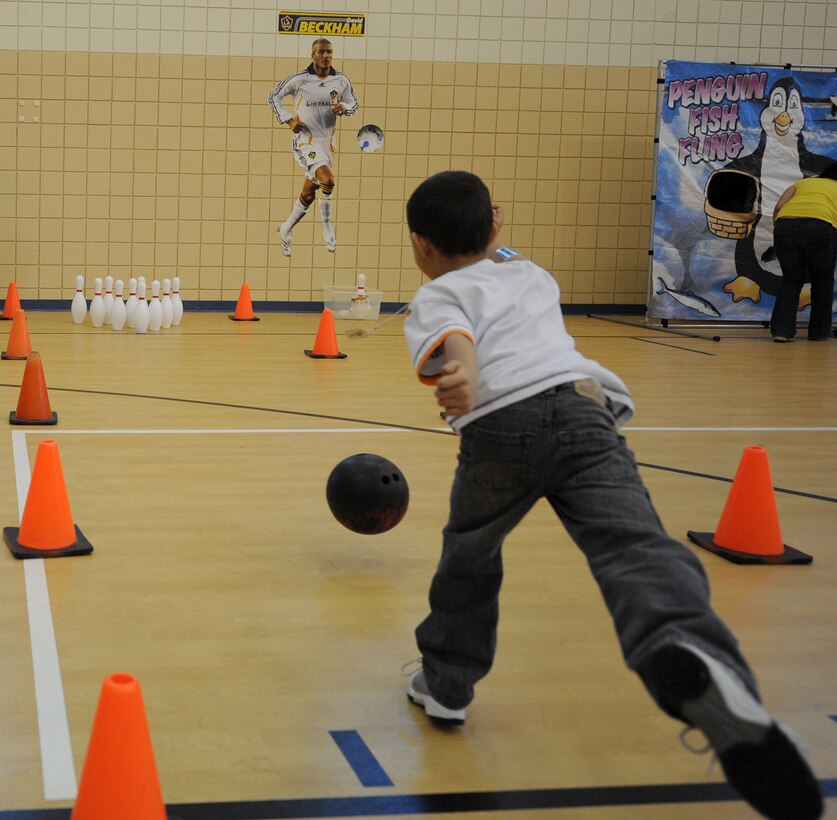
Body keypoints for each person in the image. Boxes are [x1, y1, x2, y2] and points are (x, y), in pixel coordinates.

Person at [401, 171, 823, 820]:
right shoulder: (532, 275)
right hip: (581, 412)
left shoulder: (435, 295)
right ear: (496, 224)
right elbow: (497, 273)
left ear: (418, 247)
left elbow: (454, 333)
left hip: (500, 428)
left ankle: (447, 684)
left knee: (470, 558)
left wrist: (464, 370)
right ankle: (690, 654)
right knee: (638, 551)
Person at [268, 38, 358, 256]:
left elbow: (354, 105)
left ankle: (286, 228)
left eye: (329, 52)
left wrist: (344, 108)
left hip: (328, 143)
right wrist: (289, 120)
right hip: (306, 140)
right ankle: (327, 228)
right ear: (313, 55)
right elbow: (273, 97)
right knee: (328, 180)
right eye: (322, 52)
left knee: (309, 194)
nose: (326, 56)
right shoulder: (300, 79)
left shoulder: (341, 81)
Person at [770, 161, 837, 342]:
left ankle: (781, 331)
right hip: (821, 226)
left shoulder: (804, 183)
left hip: (784, 225)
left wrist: (780, 229)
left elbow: (778, 207)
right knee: (822, 281)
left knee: (791, 281)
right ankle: (818, 333)